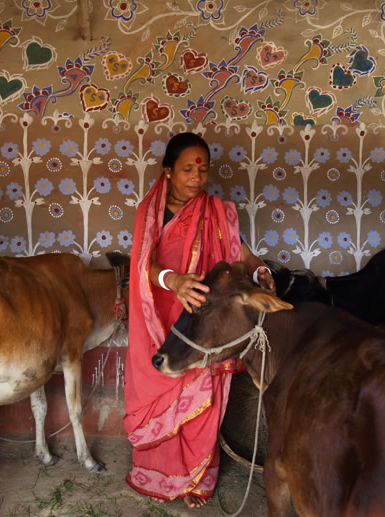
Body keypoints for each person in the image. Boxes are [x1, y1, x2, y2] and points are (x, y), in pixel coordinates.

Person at [123, 132, 275, 508]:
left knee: (206, 397)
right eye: (187, 169)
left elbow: (238, 252)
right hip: (161, 319)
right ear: (168, 171)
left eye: (202, 169)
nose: (196, 177)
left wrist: (260, 272)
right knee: (162, 392)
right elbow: (142, 264)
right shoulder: (151, 211)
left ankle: (195, 479)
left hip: (205, 324)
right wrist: (172, 280)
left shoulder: (216, 211)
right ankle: (161, 477)